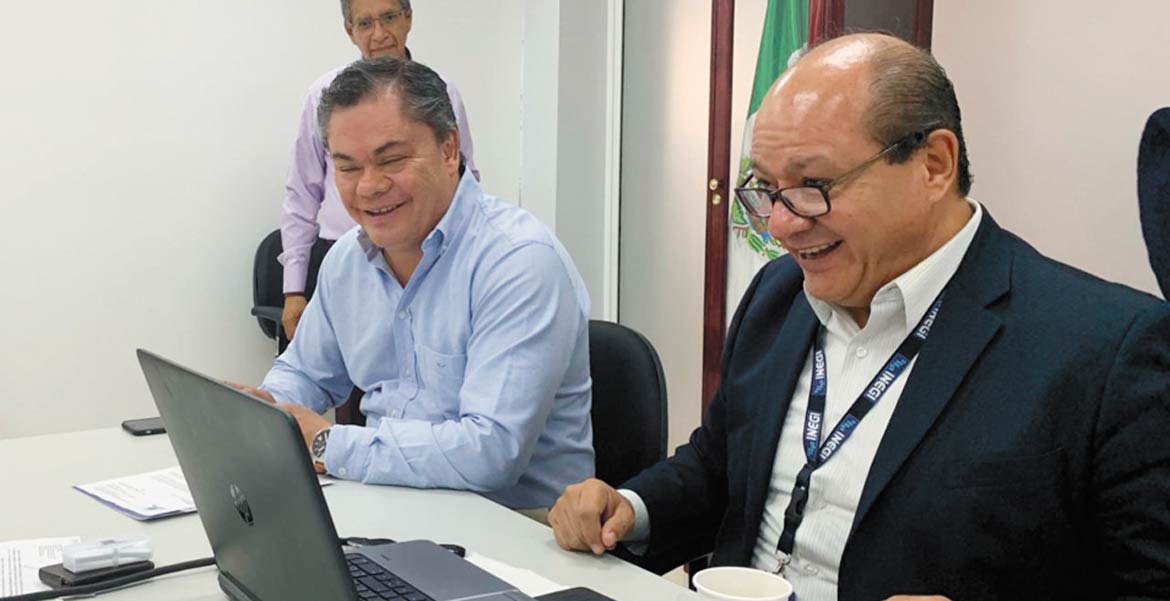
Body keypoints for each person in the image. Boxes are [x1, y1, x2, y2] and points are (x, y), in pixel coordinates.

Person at [548, 33, 1170, 601]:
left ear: (934, 165)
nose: (781, 224)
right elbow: (719, 467)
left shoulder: (1105, 351)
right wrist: (630, 508)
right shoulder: (778, 296)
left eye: (813, 184)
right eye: (765, 188)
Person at [234, 57, 593, 513]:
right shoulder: (347, 260)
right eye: (347, 167)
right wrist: (264, 411)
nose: (369, 187)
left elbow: (490, 453)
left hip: (513, 526)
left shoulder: (517, 261)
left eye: (391, 160)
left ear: (449, 149)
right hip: (389, 506)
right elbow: (304, 373)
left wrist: (326, 444)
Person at [279, 0, 478, 341]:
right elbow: (301, 194)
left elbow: (464, 178)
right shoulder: (323, 96)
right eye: (365, 23)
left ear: (408, 19)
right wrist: (294, 289)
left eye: (388, 17)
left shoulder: (440, 91)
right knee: (341, 369)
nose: (379, 34)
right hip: (344, 259)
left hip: (427, 260)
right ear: (350, 31)